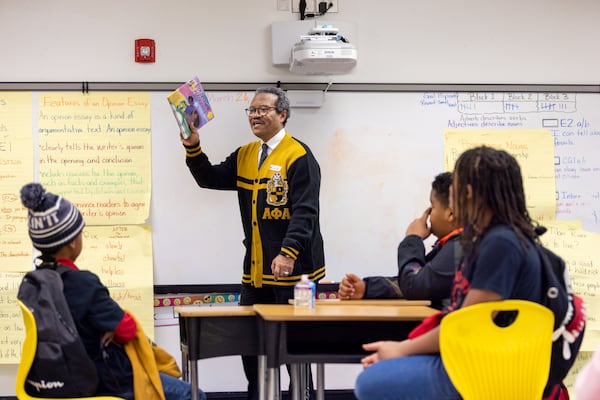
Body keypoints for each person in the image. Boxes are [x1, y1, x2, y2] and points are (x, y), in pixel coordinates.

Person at [354, 146, 544, 400]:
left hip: (486, 370)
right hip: (494, 360)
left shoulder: (500, 244)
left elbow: (466, 325)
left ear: (465, 193)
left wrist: (402, 349)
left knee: (371, 382)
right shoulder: (509, 237)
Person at [181, 86, 325, 400]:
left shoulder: (299, 156)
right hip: (256, 273)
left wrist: (288, 252)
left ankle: (304, 396)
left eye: (263, 110)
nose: (255, 116)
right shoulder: (246, 153)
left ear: (282, 114)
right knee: (250, 346)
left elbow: (305, 212)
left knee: (293, 351)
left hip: (294, 274)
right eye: (251, 110)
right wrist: (193, 147)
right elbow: (210, 178)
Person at [19, 182, 206, 400]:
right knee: (192, 394)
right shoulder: (83, 283)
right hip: (102, 380)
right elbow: (126, 330)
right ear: (71, 243)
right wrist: (108, 328)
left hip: (51, 380)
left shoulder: (32, 283)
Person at [337, 172, 461, 309]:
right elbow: (415, 281)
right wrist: (366, 288)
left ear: (450, 214)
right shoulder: (450, 246)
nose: (429, 215)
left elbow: (413, 285)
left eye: (433, 207)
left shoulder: (459, 247)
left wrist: (412, 239)